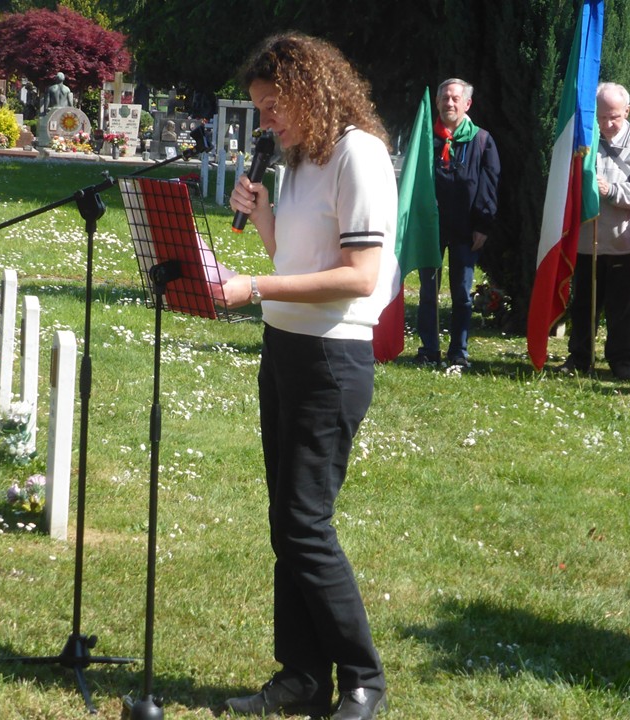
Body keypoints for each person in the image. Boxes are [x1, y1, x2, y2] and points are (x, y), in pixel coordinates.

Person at [220, 31, 395, 720]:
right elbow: (295, 262)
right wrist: (265, 217)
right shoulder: (299, 160)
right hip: (285, 349)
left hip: (331, 359)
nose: (266, 121)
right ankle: (302, 677)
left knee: (305, 524)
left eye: (273, 105)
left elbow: (359, 276)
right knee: (285, 525)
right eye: (260, 109)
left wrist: (254, 287)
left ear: (310, 91)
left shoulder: (359, 154)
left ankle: (363, 679)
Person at [556, 81, 630, 380]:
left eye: (614, 117)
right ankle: (580, 356)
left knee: (622, 308)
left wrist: (612, 190)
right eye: (601, 117)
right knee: (584, 304)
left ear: (627, 111)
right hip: (587, 240)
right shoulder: (584, 140)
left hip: (626, 242)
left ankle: (621, 360)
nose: (608, 123)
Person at [415, 78, 500, 368]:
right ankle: (429, 349)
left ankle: (458, 352)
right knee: (428, 290)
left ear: (467, 104)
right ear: (437, 102)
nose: (449, 103)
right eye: (445, 98)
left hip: (467, 229)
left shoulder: (482, 140)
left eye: (455, 99)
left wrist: (483, 225)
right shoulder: (427, 138)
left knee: (462, 293)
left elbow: (489, 186)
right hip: (432, 228)